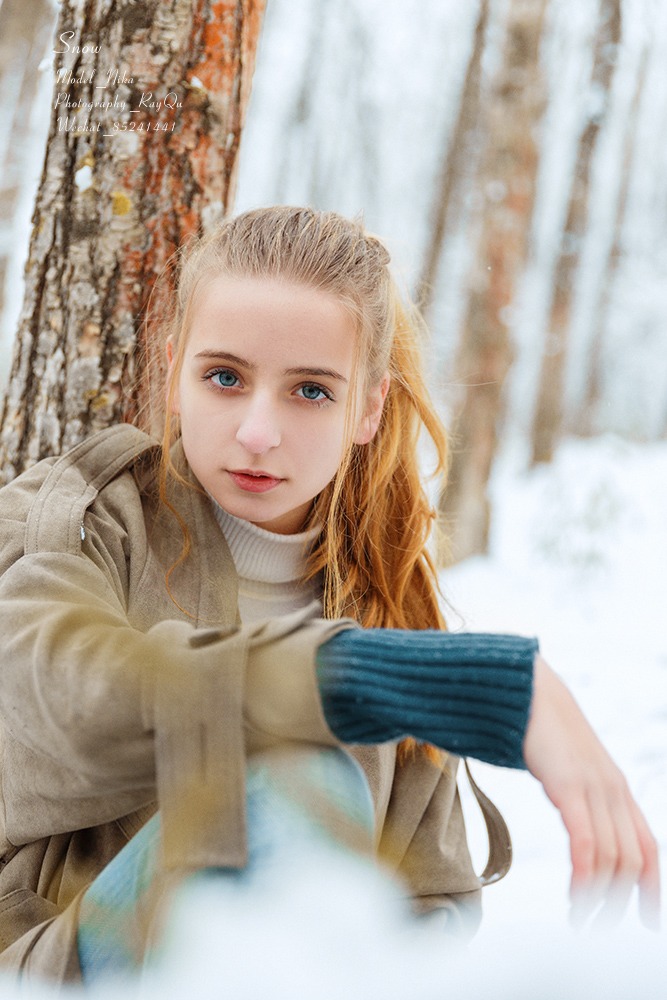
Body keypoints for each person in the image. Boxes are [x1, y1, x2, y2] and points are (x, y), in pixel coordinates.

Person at [0, 207, 658, 984]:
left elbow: (427, 901)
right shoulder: (78, 519)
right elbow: (59, 709)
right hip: (64, 966)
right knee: (292, 786)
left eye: (309, 391)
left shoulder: (382, 599)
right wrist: (381, 679)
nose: (255, 431)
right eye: (224, 377)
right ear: (175, 373)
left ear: (368, 409)